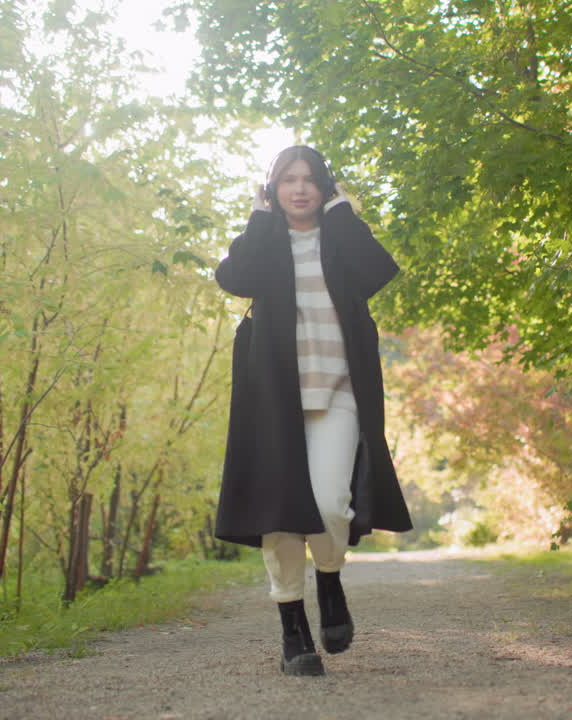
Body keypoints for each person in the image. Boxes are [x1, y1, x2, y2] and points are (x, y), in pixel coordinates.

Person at [214, 145, 413, 676]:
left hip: (339, 392)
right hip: (274, 399)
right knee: (279, 517)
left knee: (329, 505)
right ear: (273, 190)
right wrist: (259, 220)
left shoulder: (340, 238)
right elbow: (233, 279)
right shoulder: (265, 242)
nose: (299, 189)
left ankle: (329, 578)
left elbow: (379, 269)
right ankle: (292, 633)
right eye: (288, 180)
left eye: (309, 180)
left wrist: (342, 212)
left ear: (324, 187)